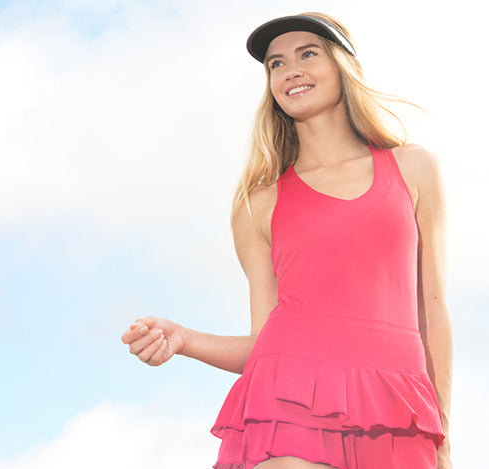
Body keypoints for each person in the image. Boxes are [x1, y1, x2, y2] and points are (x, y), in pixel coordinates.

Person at [117, 12, 452, 469]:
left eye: (307, 54)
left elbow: (431, 314)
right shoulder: (259, 204)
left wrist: (442, 434)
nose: (290, 69)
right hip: (290, 405)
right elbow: (264, 340)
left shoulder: (414, 169)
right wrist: (184, 339)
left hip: (397, 414)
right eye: (276, 64)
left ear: (341, 65)